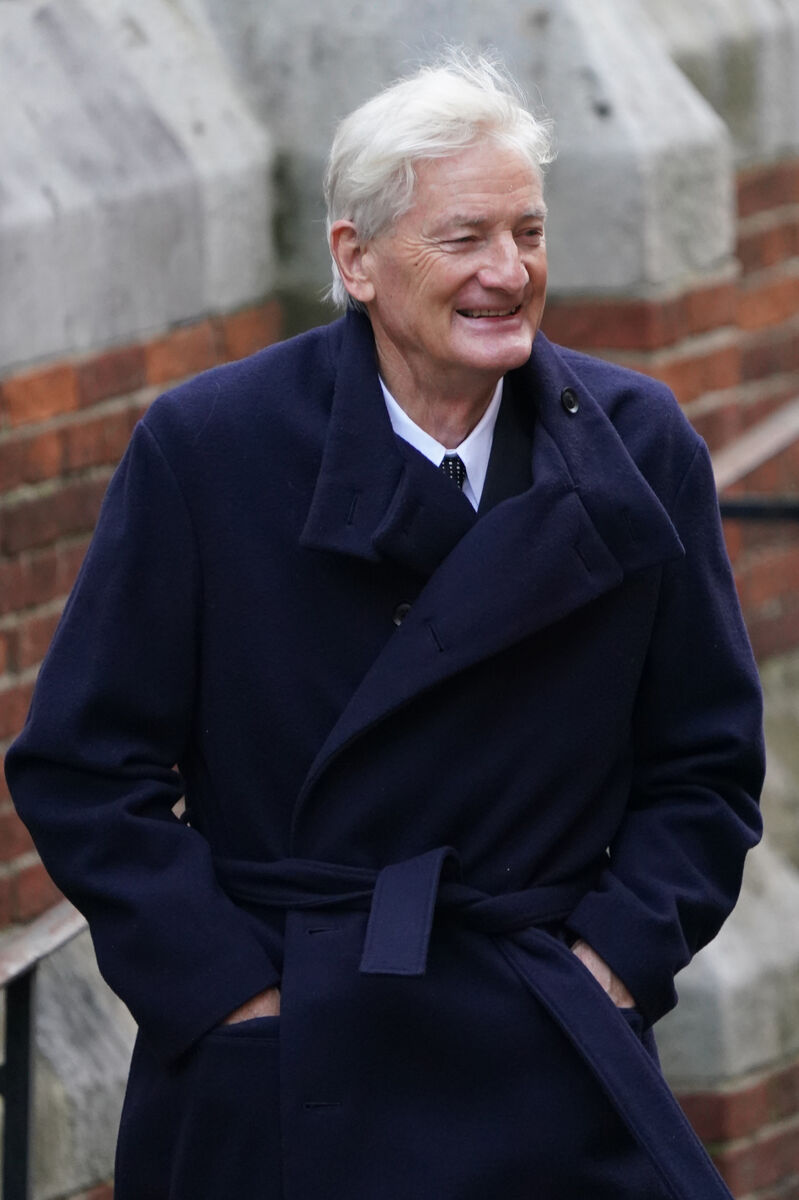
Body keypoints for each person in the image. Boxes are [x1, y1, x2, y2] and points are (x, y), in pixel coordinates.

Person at [6, 51, 764, 1200]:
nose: (508, 271)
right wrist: (230, 996)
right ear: (355, 259)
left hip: (543, 1042)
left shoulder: (638, 445)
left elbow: (705, 764)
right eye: (464, 238)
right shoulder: (211, 449)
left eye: (528, 232)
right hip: (286, 1066)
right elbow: (80, 768)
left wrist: (611, 961)